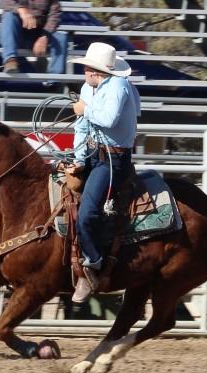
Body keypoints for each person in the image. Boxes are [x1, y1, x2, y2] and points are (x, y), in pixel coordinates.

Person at [63, 42, 140, 302]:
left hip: (113, 160)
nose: (83, 71)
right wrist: (78, 159)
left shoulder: (119, 87)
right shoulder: (89, 87)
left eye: (86, 68)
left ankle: (92, 264)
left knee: (87, 212)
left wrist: (85, 109)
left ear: (96, 71)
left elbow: (108, 119)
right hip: (95, 155)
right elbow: (82, 128)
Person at [0, 0, 68, 74]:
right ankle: (10, 60)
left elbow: (54, 16)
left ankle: (53, 80)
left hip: (38, 35)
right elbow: (4, 2)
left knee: (61, 38)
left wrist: (44, 36)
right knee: (9, 15)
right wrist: (21, 10)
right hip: (14, 34)